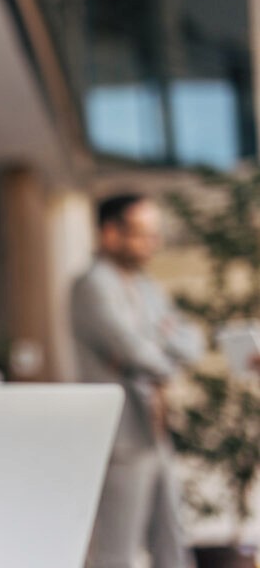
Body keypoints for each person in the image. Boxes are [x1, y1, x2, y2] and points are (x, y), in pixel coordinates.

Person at [71, 194, 204, 568]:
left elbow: (190, 341)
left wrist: (155, 348)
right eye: (142, 234)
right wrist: (158, 349)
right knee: (119, 550)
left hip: (156, 431)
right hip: (124, 439)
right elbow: (132, 350)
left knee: (173, 542)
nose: (153, 244)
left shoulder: (148, 288)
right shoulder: (91, 285)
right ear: (110, 233)